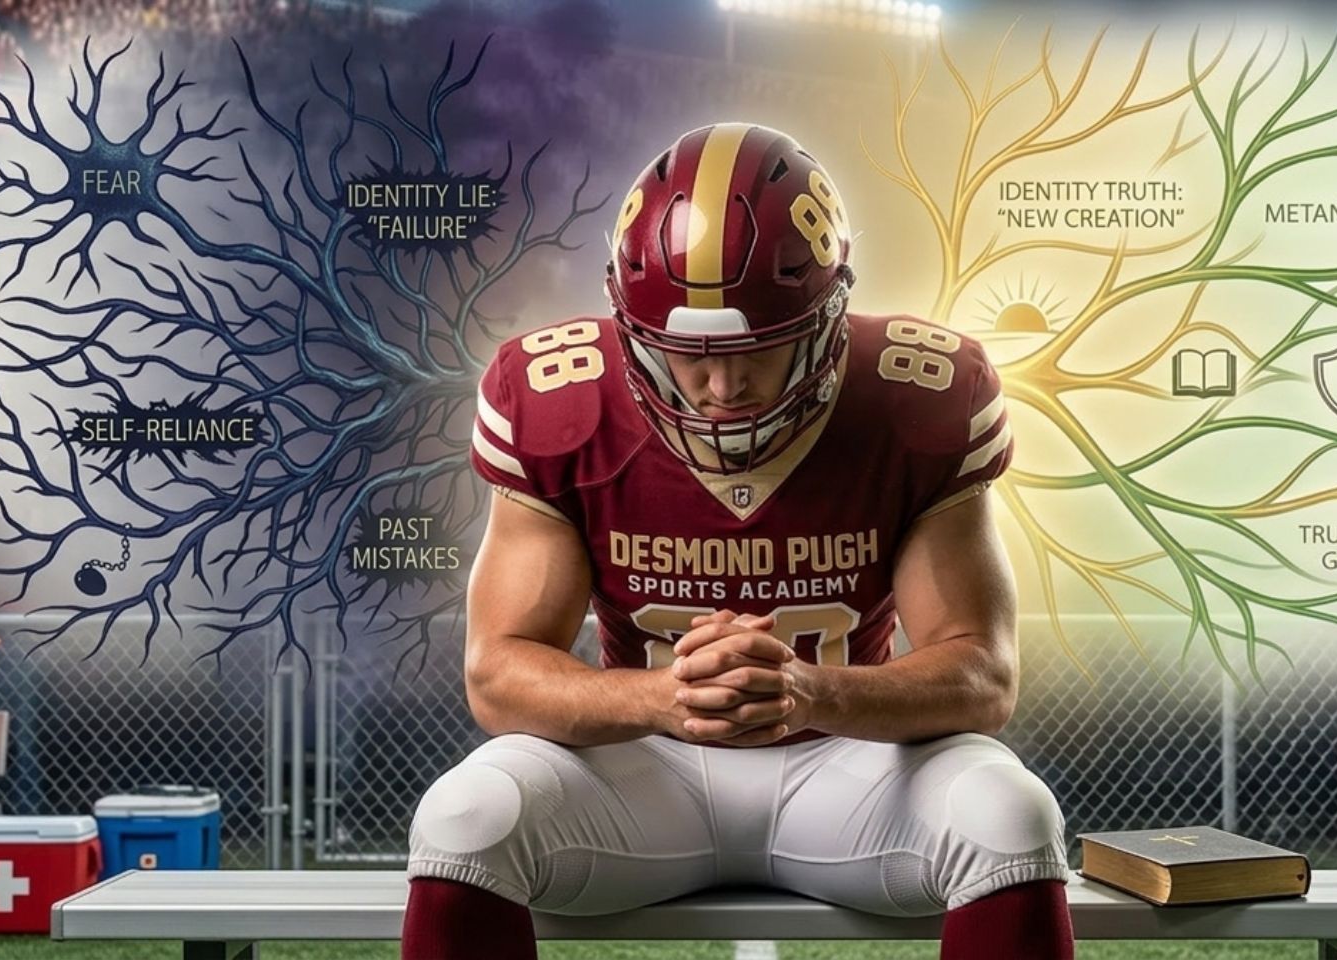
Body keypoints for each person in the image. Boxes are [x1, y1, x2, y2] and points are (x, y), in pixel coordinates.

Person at [402, 125, 1070, 960]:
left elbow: (981, 674)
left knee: (1010, 814)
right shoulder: (557, 398)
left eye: (761, 349)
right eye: (687, 356)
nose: (721, 387)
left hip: (850, 766)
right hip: (642, 767)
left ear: (827, 314)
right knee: (466, 818)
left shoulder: (917, 396)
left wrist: (812, 692)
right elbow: (498, 672)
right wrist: (665, 699)